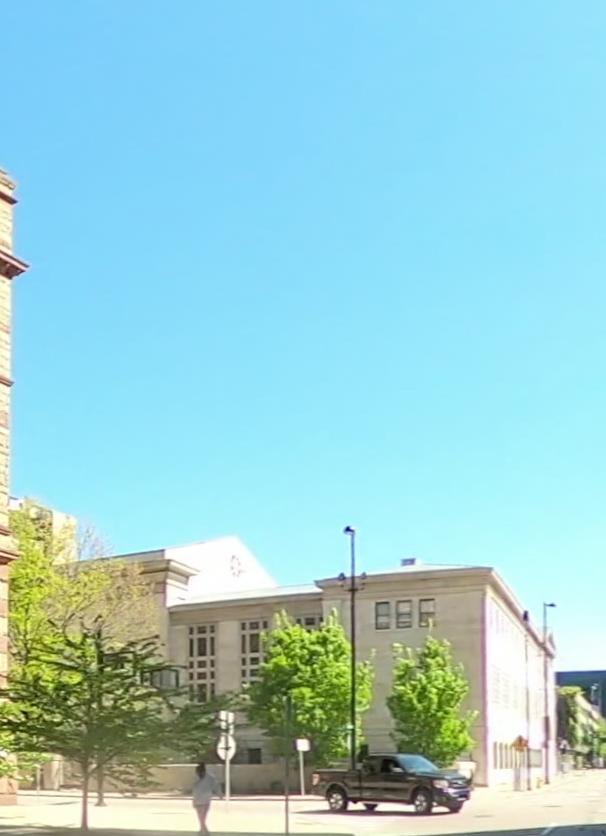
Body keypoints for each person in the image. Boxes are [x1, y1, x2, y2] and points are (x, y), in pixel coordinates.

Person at [192, 762, 222, 835]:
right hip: (198, 800)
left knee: (202, 817)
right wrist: (193, 800)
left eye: (200, 772)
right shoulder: (196, 778)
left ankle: (203, 830)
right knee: (201, 817)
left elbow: (216, 786)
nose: (199, 773)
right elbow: (194, 790)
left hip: (205, 800)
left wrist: (219, 794)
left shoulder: (210, 778)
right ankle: (203, 830)